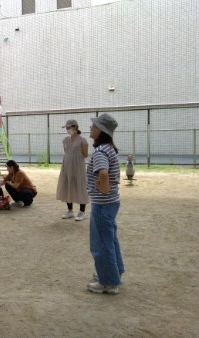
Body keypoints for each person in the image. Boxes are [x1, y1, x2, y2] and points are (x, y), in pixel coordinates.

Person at [86, 113, 124, 295]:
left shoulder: (101, 151)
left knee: (101, 243)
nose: (90, 128)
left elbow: (102, 173)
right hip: (110, 203)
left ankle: (108, 282)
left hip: (102, 205)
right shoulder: (109, 149)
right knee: (110, 240)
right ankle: (114, 273)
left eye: (93, 126)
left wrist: (103, 189)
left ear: (101, 131)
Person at [56, 119, 89, 221]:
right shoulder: (65, 140)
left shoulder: (83, 140)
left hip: (78, 166)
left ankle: (82, 212)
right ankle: (70, 211)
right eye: (66, 128)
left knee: (80, 185)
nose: (67, 129)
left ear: (75, 127)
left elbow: (85, 154)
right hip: (66, 166)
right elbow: (66, 152)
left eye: (69, 127)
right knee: (67, 185)